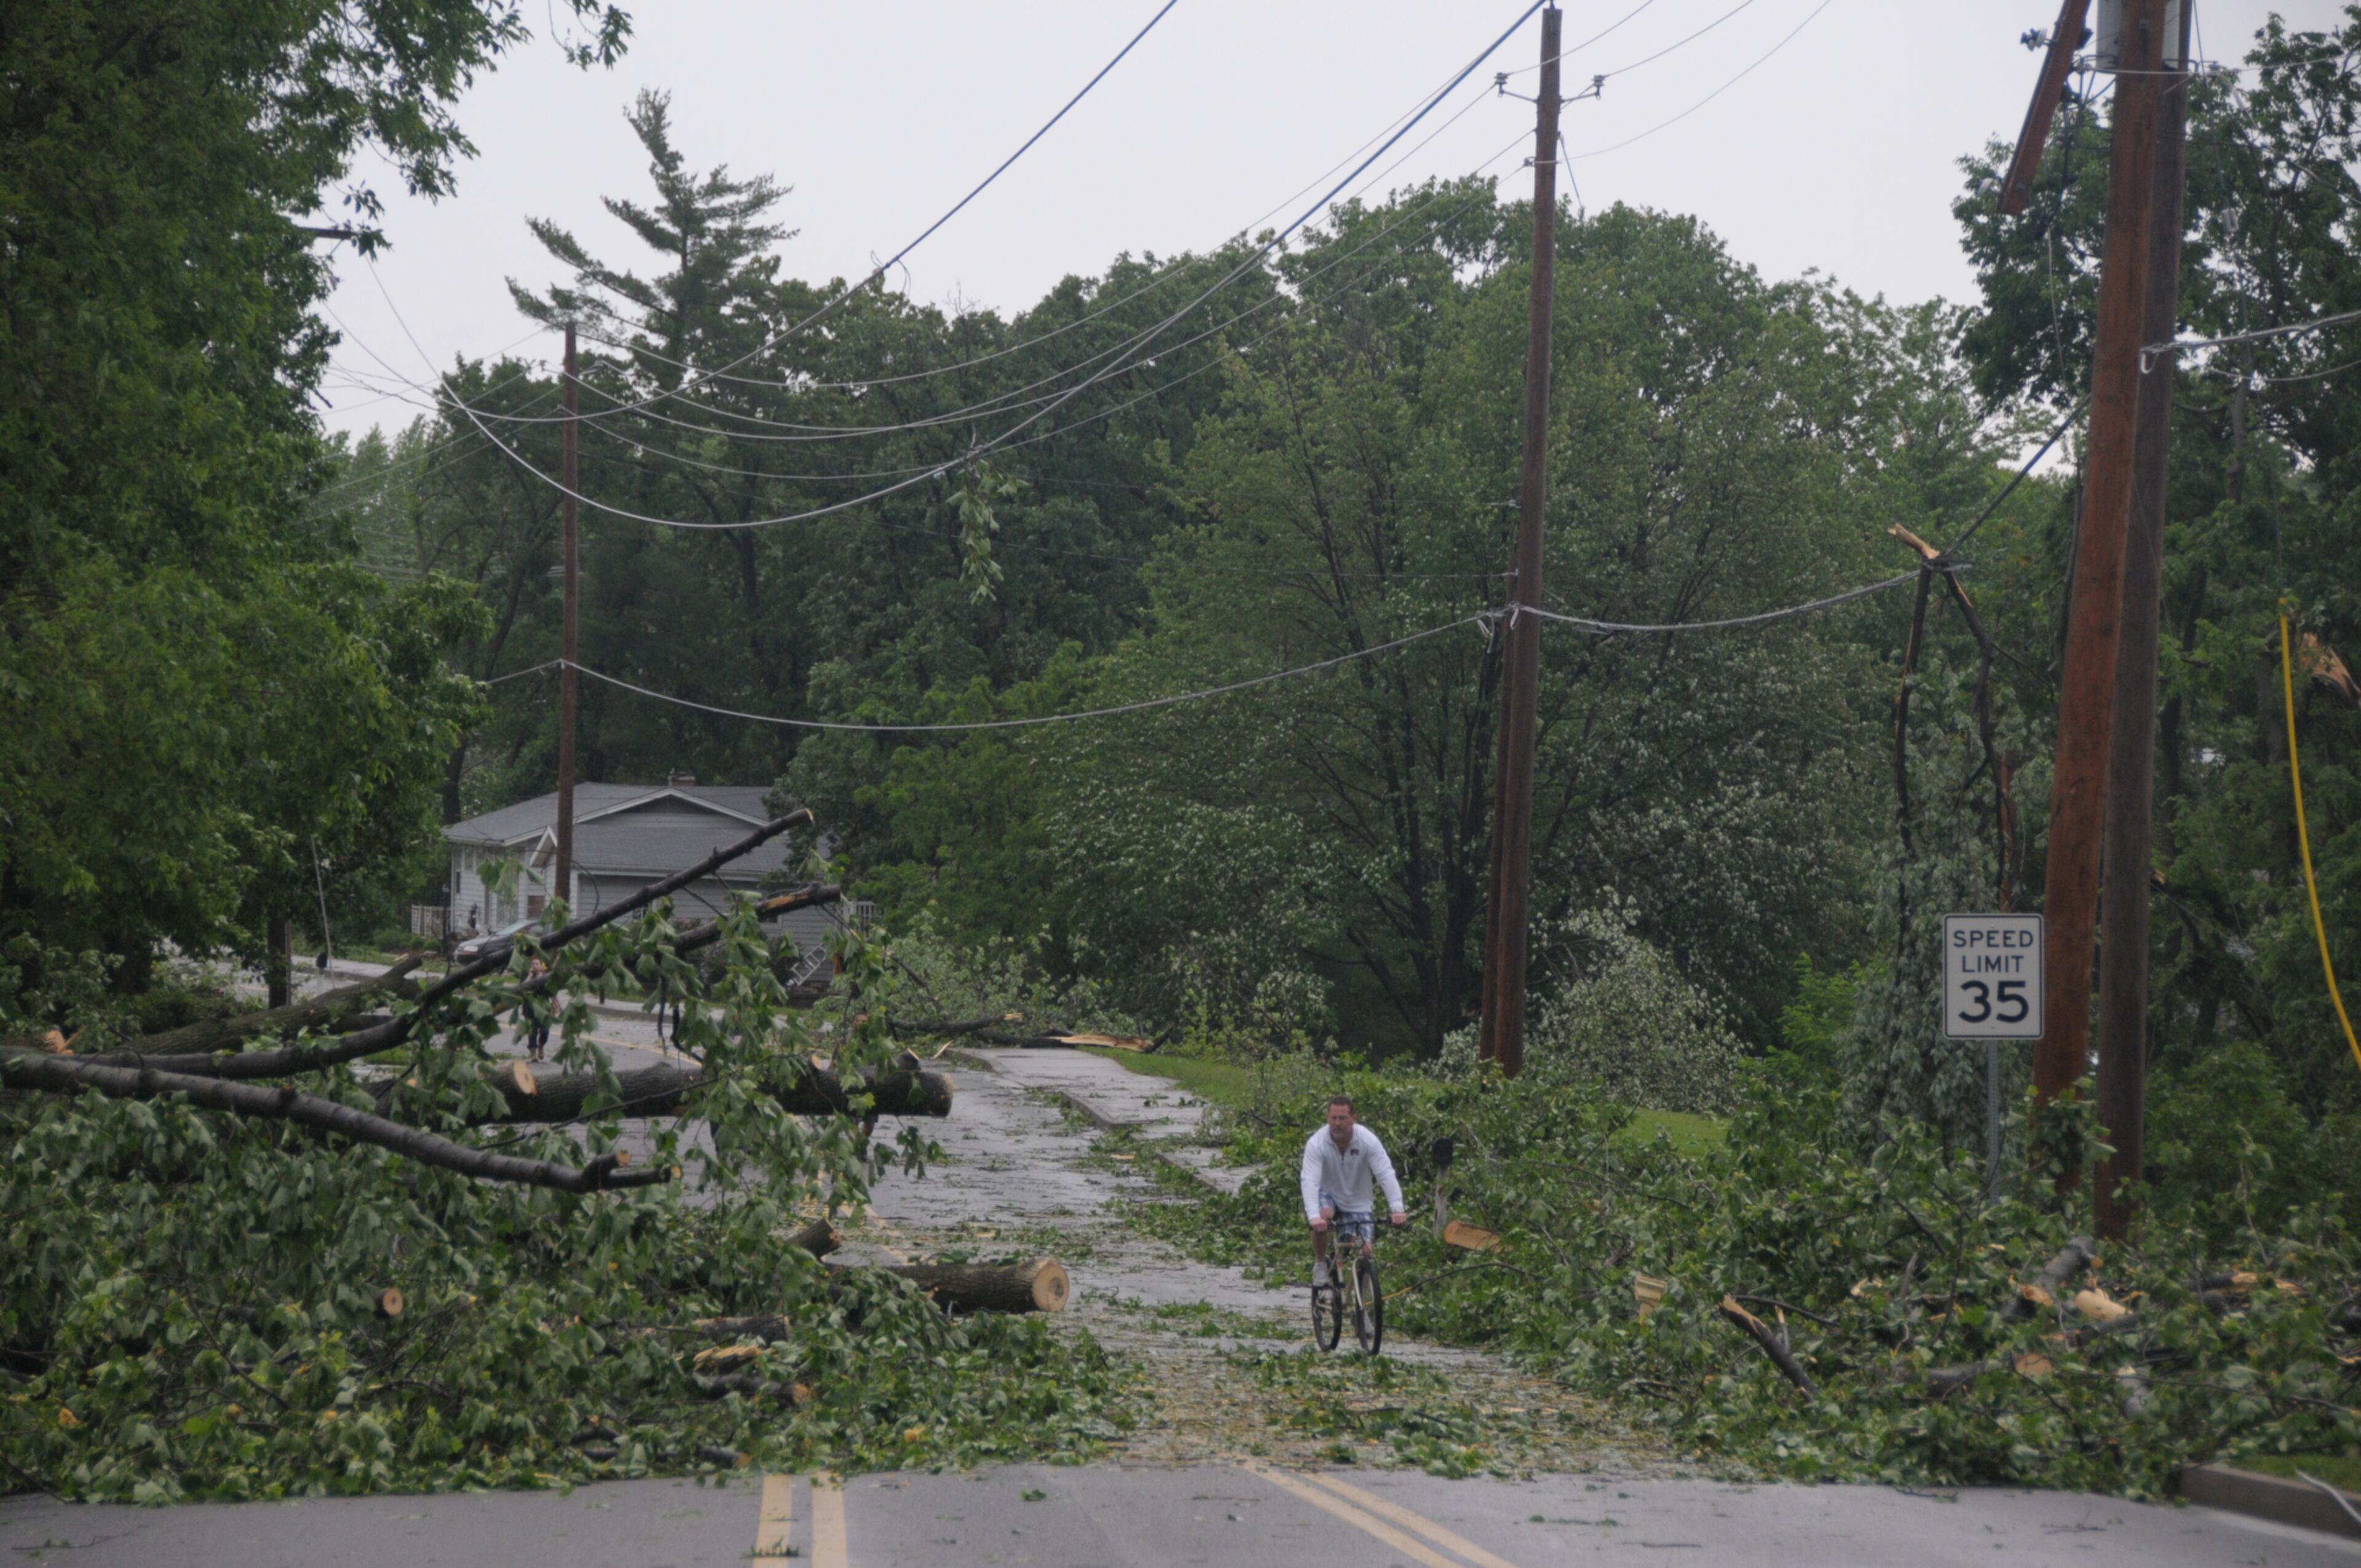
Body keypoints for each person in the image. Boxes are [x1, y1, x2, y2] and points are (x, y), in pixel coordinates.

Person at [1301, 1095, 1407, 1286]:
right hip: (1328, 1193)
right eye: (1333, 1118)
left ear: (1354, 1119)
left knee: (1365, 1252)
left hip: (1357, 1201)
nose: (1337, 1123)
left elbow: (1385, 1173)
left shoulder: (1368, 1141)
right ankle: (1320, 1264)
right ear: (1328, 1118)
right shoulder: (1317, 1144)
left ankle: (1362, 1306)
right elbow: (1310, 1180)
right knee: (1322, 1216)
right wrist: (1313, 1217)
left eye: (1342, 1118)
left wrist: (1397, 1208)